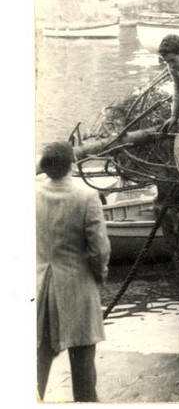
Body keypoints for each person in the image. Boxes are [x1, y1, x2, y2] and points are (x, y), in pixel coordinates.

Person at [36, 141, 111, 402]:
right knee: (82, 364)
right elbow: (99, 248)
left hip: (40, 286)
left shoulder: (31, 193)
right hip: (77, 286)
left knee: (38, 358)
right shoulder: (86, 196)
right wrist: (100, 274)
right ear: (73, 164)